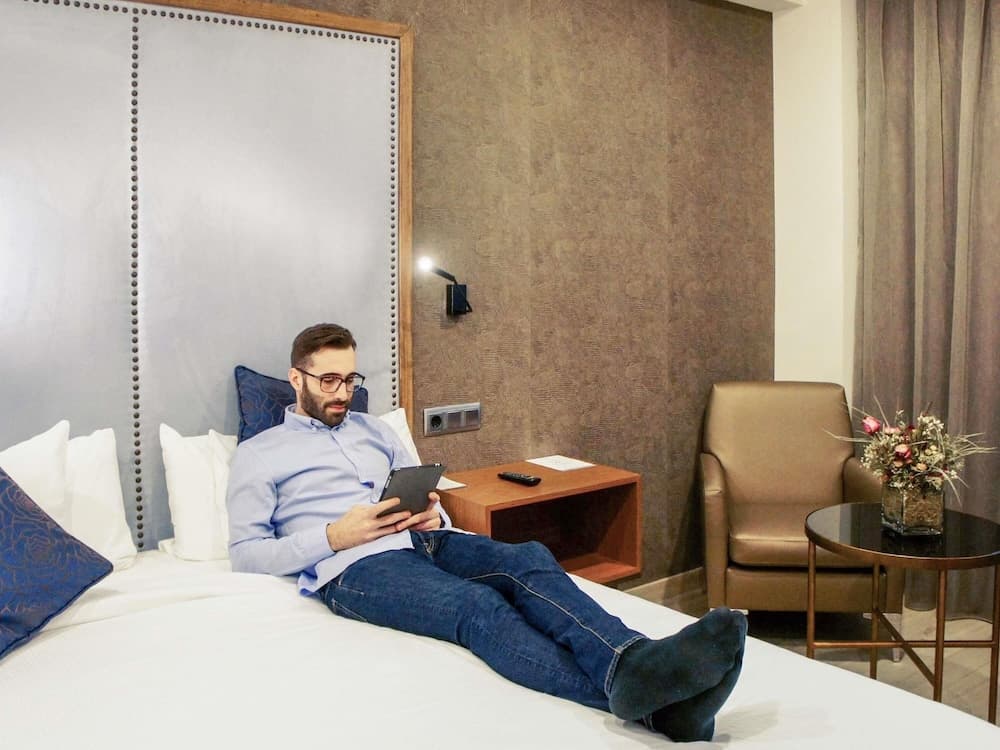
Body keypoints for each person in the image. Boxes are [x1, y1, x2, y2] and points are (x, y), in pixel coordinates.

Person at [227, 323, 747, 742]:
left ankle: (631, 660)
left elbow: (417, 488)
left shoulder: (376, 430)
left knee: (528, 558)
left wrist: (434, 515)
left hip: (423, 538)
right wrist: (334, 536)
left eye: (351, 380)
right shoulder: (258, 454)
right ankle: (655, 705)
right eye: (328, 381)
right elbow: (246, 554)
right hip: (355, 567)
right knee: (477, 606)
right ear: (296, 379)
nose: (343, 393)